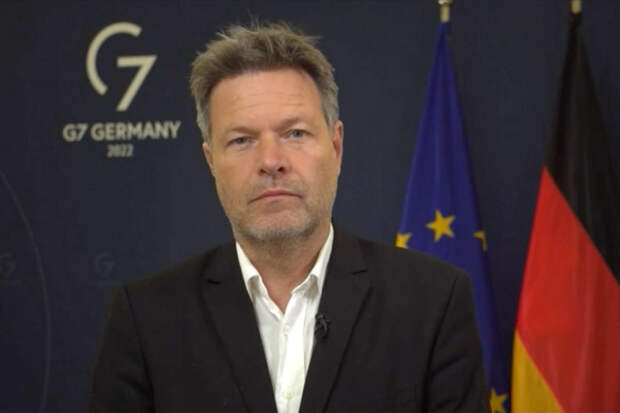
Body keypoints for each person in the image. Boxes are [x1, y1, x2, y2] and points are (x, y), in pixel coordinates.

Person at [88, 22, 488, 412]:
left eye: (295, 133)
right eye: (241, 140)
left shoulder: (432, 301)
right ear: (211, 161)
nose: (271, 161)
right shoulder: (146, 317)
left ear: (336, 146)